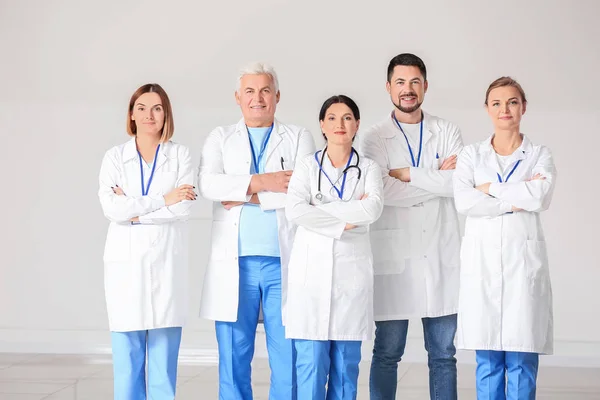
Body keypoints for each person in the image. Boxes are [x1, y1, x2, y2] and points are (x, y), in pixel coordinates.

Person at [198, 62, 315, 399]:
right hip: (235, 263)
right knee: (233, 358)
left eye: (265, 90)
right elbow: (208, 184)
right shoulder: (220, 137)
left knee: (288, 357)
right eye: (250, 91)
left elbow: (299, 192)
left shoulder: (298, 136)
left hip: (285, 262)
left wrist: (241, 195)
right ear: (238, 97)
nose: (257, 98)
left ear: (277, 96)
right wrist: (263, 183)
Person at [359, 53, 464, 400]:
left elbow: (457, 185)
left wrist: (406, 174)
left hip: (439, 251)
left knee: (444, 355)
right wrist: (435, 175)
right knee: (387, 352)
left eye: (415, 82)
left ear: (426, 86)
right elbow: (381, 191)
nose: (408, 90)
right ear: (389, 87)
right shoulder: (374, 137)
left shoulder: (446, 130)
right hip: (395, 256)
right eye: (401, 83)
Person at [453, 76, 556, 400]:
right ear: (487, 109)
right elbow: (465, 202)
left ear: (523, 107)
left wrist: (490, 189)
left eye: (512, 101)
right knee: (487, 360)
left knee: (522, 357)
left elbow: (540, 197)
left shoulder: (539, 154)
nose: (505, 109)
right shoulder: (471, 155)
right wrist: (516, 199)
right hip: (482, 265)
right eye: (496, 103)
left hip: (522, 268)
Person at [98, 83, 196, 400]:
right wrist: (163, 199)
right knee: (127, 367)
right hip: (125, 268)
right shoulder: (115, 157)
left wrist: (135, 211)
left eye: (156, 108)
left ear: (166, 113)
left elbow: (183, 208)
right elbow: (111, 208)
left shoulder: (180, 155)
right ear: (131, 114)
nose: (149, 114)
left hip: (166, 264)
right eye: (141, 107)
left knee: (163, 369)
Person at [285, 95, 384, 400]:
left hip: (349, 281)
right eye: (332, 117)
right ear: (322, 125)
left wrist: (322, 211)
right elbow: (295, 210)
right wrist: (346, 219)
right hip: (310, 281)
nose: (339, 124)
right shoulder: (306, 166)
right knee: (311, 368)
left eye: (347, 117)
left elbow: (373, 210)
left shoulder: (368, 168)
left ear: (356, 125)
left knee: (345, 370)